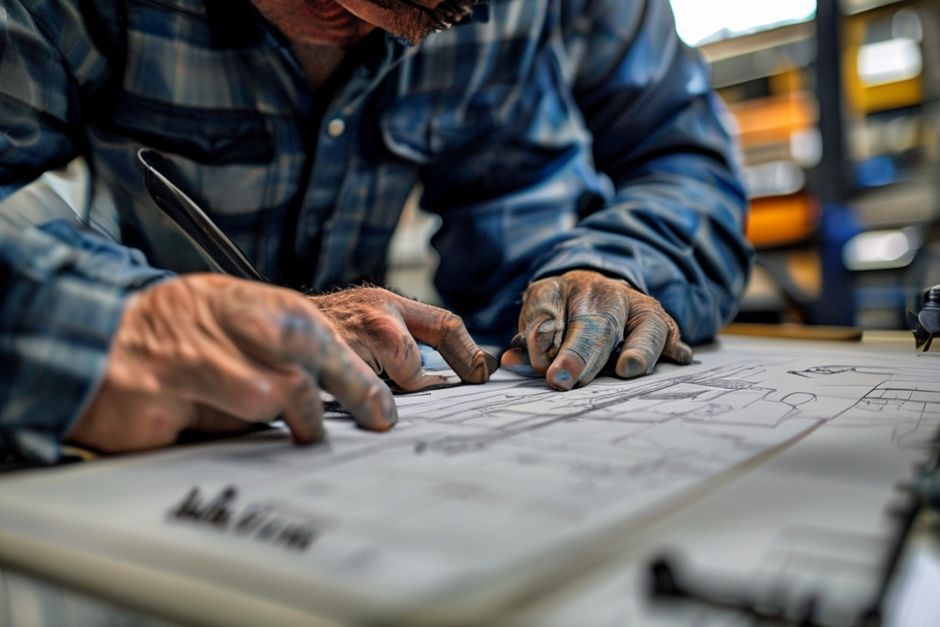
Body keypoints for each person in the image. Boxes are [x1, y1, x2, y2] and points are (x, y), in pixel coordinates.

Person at [0, 0, 753, 463]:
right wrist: (107, 320)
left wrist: (615, 268)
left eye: (429, 12)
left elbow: (680, 154)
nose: (353, 25)